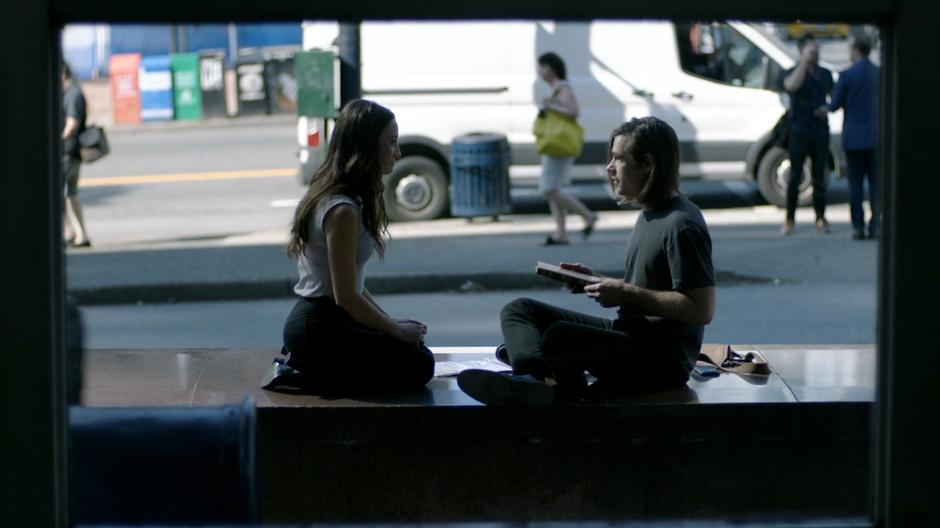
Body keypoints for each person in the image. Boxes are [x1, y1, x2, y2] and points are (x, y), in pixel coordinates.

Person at [458, 117, 716, 406]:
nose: (610, 168)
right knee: (520, 310)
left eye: (618, 159)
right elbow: (649, 285)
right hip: (630, 333)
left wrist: (625, 292)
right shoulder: (649, 213)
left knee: (560, 337)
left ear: (647, 163)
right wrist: (595, 281)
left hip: (661, 361)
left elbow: (701, 308)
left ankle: (537, 371)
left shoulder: (681, 224)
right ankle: (532, 377)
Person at [269, 100, 434, 396]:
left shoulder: (350, 200)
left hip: (331, 318)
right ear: (367, 146)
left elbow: (354, 286)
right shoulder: (342, 210)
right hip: (318, 326)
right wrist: (395, 330)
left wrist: (392, 323)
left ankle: (313, 369)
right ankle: (306, 372)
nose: (398, 152)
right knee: (420, 364)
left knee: (417, 352)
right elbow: (345, 296)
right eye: (392, 143)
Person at [536, 52, 598, 246]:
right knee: (554, 189)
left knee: (548, 190)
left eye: (542, 67)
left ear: (551, 68)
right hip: (555, 145)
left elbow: (573, 112)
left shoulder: (562, 88)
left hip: (557, 145)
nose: (540, 71)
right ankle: (561, 234)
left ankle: (587, 216)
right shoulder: (557, 89)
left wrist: (550, 106)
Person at [780, 35, 833, 236]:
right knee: (795, 175)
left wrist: (827, 108)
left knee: (819, 174)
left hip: (820, 130)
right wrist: (804, 61)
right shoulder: (792, 71)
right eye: (812, 50)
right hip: (799, 130)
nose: (816, 54)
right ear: (802, 51)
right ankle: (789, 219)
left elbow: (833, 96)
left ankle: (821, 217)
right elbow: (791, 86)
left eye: (817, 50)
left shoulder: (826, 74)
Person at [827, 34, 879, 240]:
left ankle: (858, 225)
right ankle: (875, 224)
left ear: (857, 49)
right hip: (876, 137)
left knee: (856, 184)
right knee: (875, 184)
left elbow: (834, 105)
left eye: (850, 48)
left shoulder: (847, 75)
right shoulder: (878, 73)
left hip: (854, 137)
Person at [61, 62, 92, 248]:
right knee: (65, 193)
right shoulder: (71, 92)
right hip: (67, 151)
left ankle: (80, 234)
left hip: (68, 151)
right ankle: (72, 232)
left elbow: (72, 123)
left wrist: (57, 139)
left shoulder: (72, 94)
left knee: (69, 193)